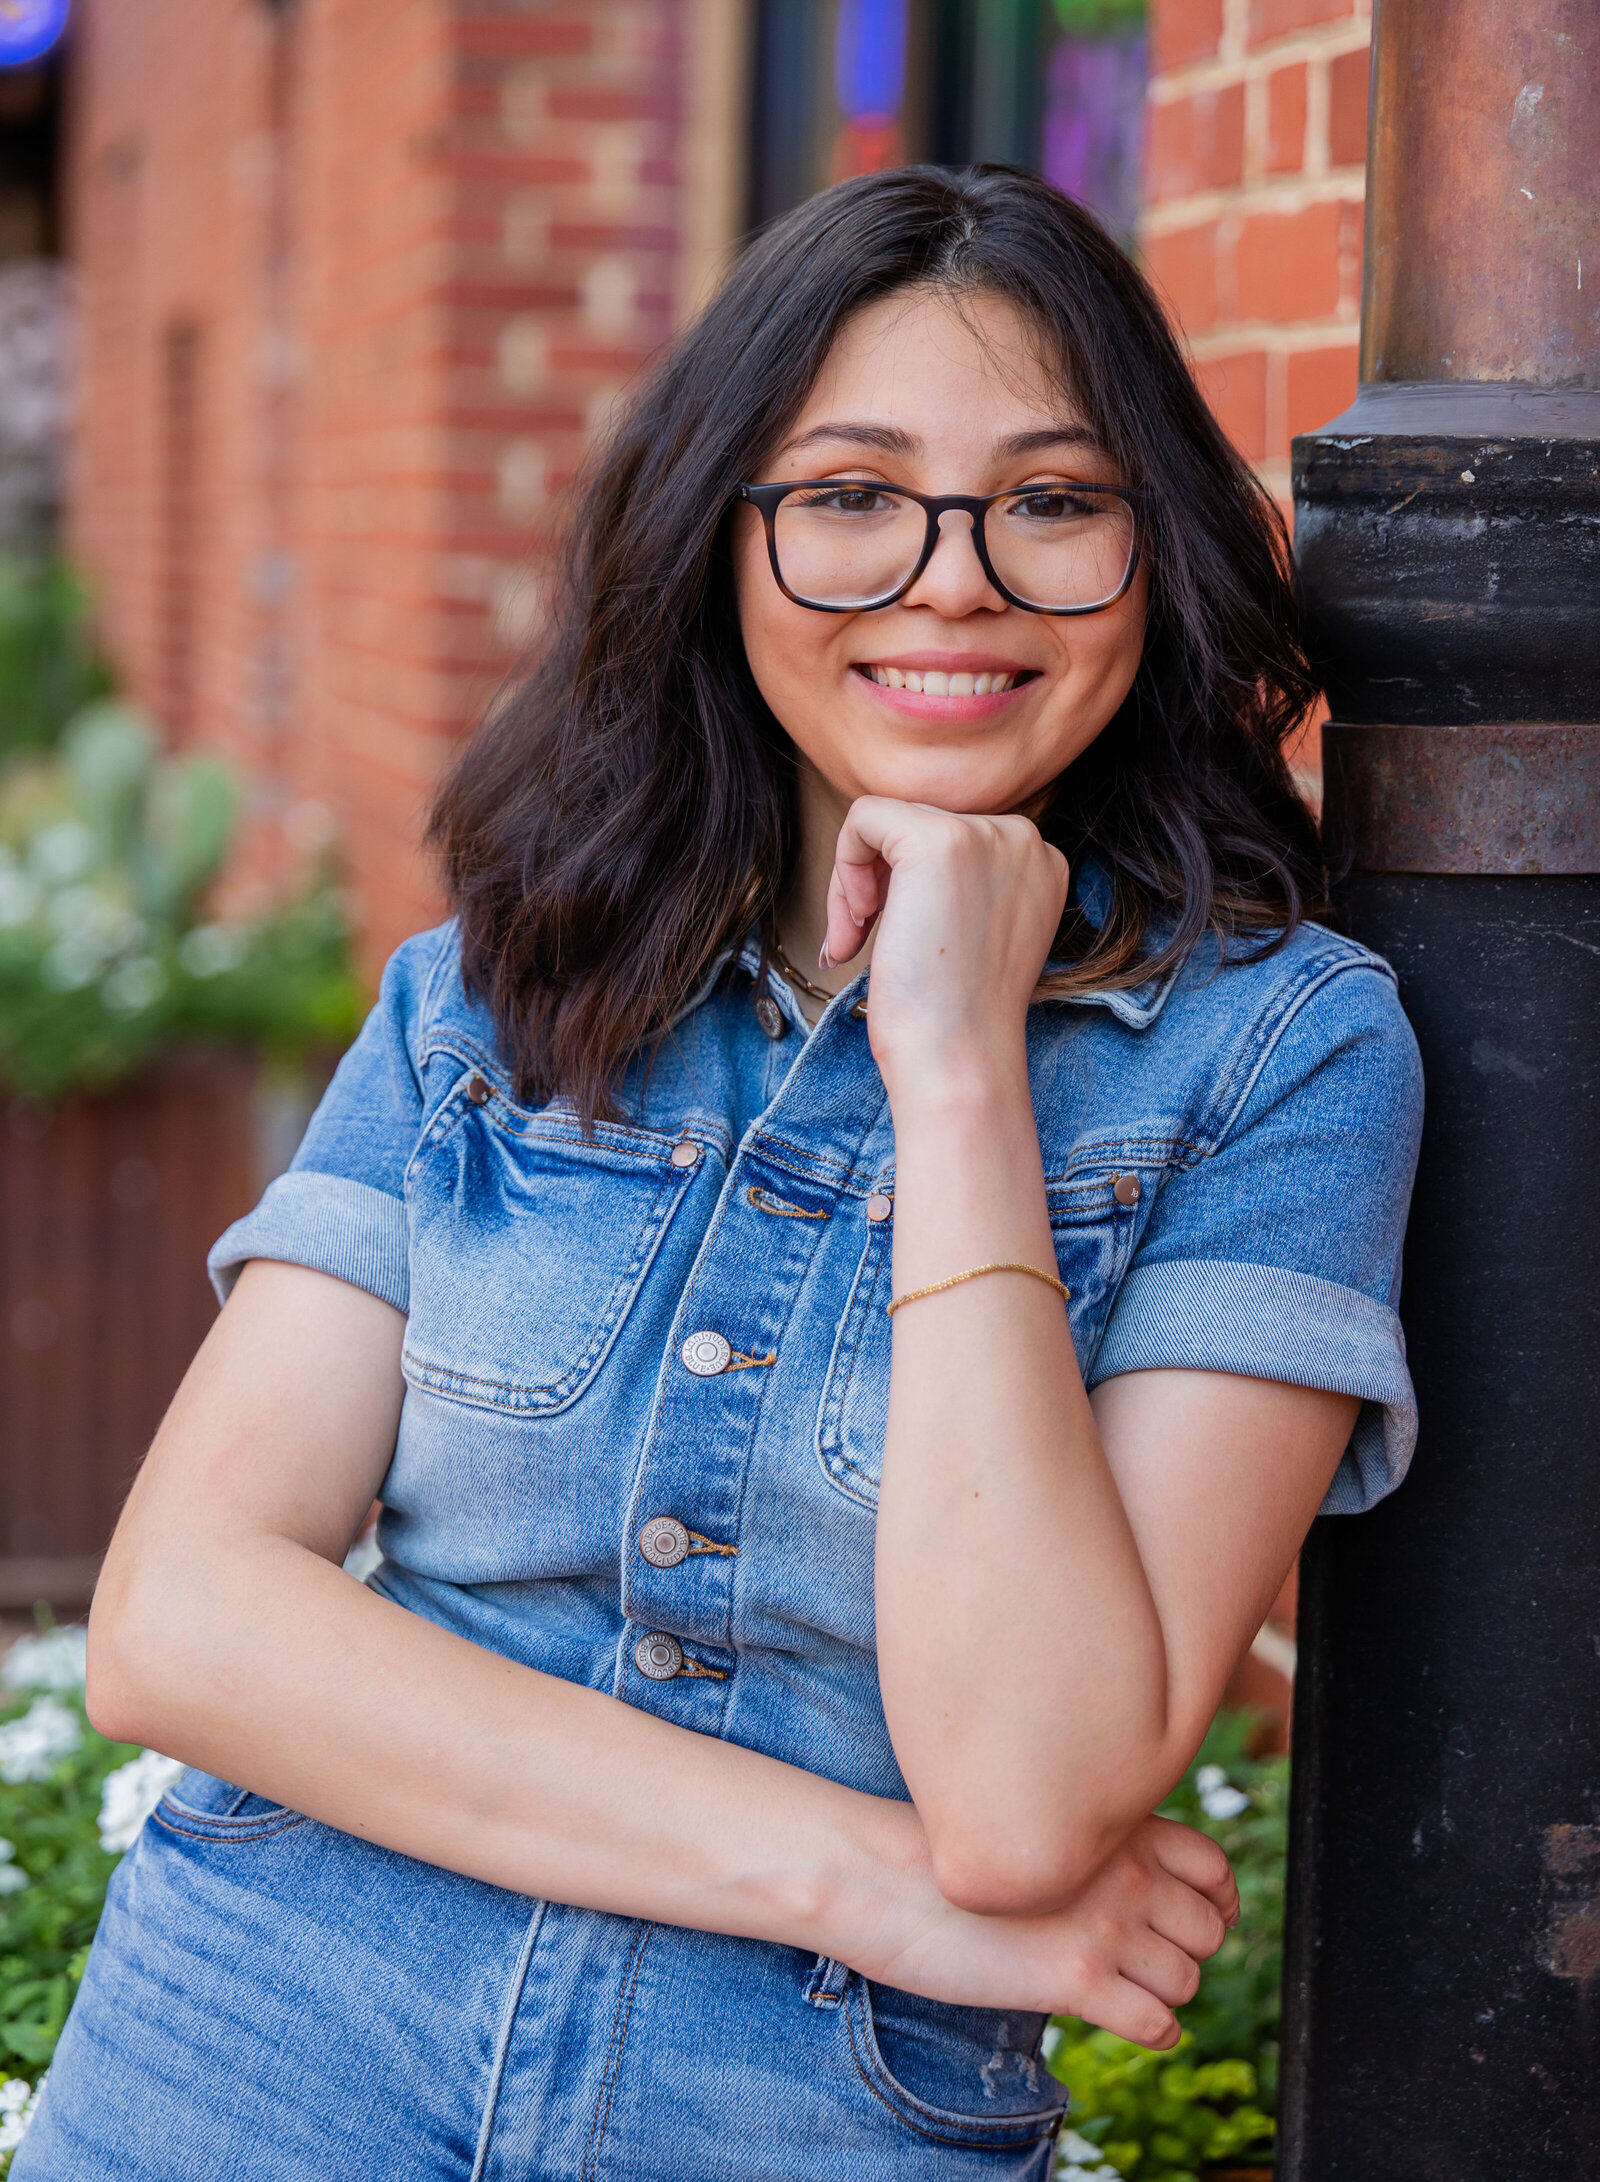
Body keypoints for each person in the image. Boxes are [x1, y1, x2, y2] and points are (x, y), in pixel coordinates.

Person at [20, 166, 1421, 2181]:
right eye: (847, 494)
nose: (952, 578)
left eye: (1048, 499)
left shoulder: (1277, 1054)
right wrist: (875, 1884)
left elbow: (1028, 1793)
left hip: (801, 2125)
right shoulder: (492, 991)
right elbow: (180, 1620)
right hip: (249, 2053)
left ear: (1152, 557)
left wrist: (952, 1069)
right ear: (718, 544)